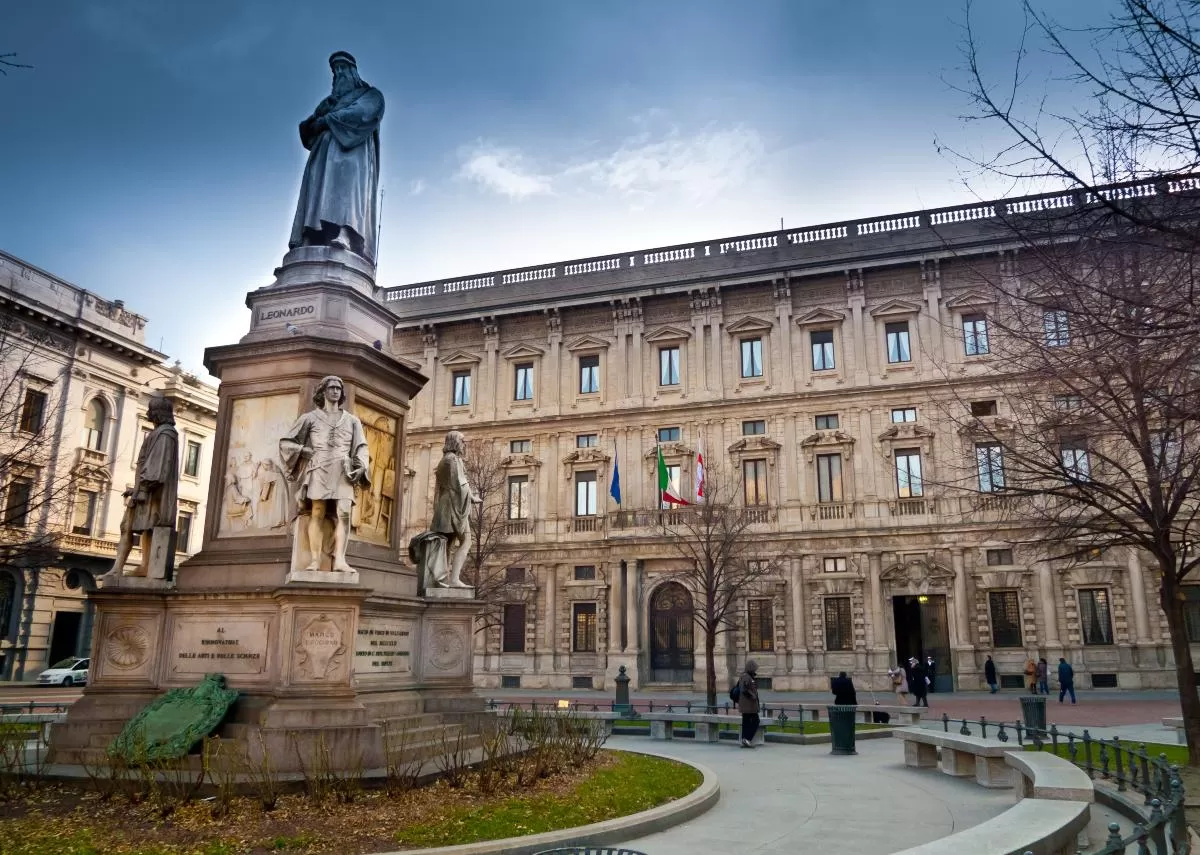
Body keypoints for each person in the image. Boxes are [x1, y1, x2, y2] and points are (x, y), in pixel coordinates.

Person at [290, 52, 385, 262]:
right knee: (317, 192)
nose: (339, 73)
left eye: (343, 68)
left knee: (348, 193)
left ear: (353, 71)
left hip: (352, 154)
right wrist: (315, 123)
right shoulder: (328, 103)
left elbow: (362, 114)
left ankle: (346, 234)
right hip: (322, 157)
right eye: (335, 70)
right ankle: (311, 235)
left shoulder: (370, 95)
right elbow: (309, 126)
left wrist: (327, 120)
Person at [279, 375, 370, 572]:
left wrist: (361, 466)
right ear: (323, 391)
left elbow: (361, 446)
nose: (336, 391)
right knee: (317, 512)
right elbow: (287, 442)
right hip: (319, 467)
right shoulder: (309, 418)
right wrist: (304, 450)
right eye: (331, 387)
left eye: (338, 388)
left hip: (343, 468)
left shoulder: (352, 421)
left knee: (344, 512)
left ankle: (340, 560)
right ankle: (314, 559)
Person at [108, 396, 179, 579]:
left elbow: (158, 466)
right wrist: (138, 488)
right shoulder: (159, 433)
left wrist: (144, 488)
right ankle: (126, 567)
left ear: (157, 412)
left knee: (149, 527)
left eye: (150, 410)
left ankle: (146, 566)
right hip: (145, 490)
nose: (148, 413)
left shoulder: (165, 434)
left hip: (152, 493)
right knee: (130, 527)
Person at [736, 660, 761, 747]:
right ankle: (747, 739)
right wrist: (752, 696)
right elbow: (744, 689)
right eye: (754, 668)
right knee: (755, 721)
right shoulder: (746, 677)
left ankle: (745, 739)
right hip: (748, 705)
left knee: (746, 722)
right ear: (751, 668)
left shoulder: (748, 676)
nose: (755, 670)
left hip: (749, 705)